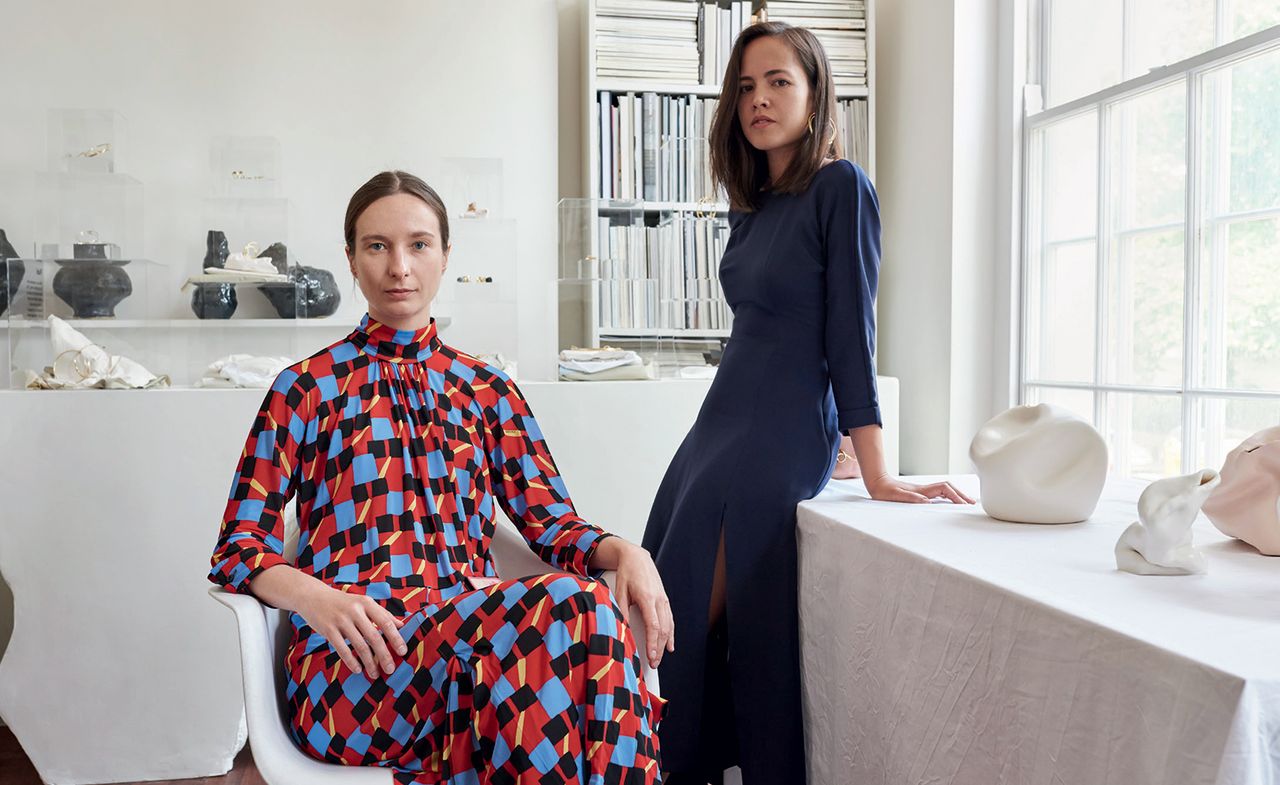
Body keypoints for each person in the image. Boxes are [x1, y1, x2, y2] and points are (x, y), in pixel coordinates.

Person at [210, 170, 674, 785]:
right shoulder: (305, 388)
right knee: (570, 617)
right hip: (353, 667)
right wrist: (316, 599)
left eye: (419, 245)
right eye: (377, 246)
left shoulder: (487, 389)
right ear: (350, 259)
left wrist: (627, 550)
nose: (399, 266)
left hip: (478, 650)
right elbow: (239, 548)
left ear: (446, 255)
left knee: (579, 620)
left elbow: (552, 524)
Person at [641, 23, 974, 785]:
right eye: (746, 87)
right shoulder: (750, 205)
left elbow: (850, 337)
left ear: (817, 93)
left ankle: (678, 766)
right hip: (716, 427)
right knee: (660, 603)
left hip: (777, 433)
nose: (758, 99)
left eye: (779, 82)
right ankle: (657, 762)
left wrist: (879, 469)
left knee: (688, 622)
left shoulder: (841, 186)